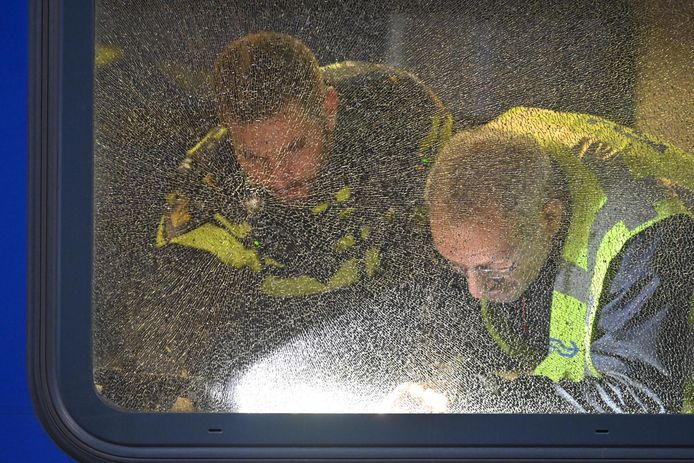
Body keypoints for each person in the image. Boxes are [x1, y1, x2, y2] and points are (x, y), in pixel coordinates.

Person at [395, 106, 694, 413]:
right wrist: (436, 380)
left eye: (492, 266)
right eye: (459, 267)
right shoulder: (478, 179)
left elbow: (643, 406)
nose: (475, 288)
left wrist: (490, 404)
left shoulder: (641, 232)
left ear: (549, 218)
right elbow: (449, 325)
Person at [157, 31, 453, 299]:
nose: (279, 176)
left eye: (296, 148)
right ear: (229, 135)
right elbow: (181, 326)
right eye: (253, 158)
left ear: (329, 109)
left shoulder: (403, 117)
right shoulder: (201, 199)